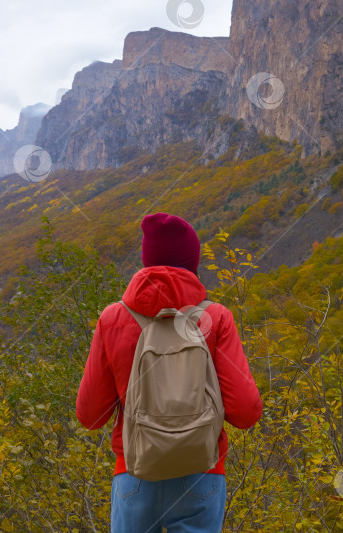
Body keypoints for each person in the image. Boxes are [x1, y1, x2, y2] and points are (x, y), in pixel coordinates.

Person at [76, 212, 263, 533]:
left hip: (134, 472)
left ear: (146, 260)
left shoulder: (112, 319)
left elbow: (90, 416)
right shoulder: (216, 318)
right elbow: (246, 413)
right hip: (202, 472)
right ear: (193, 262)